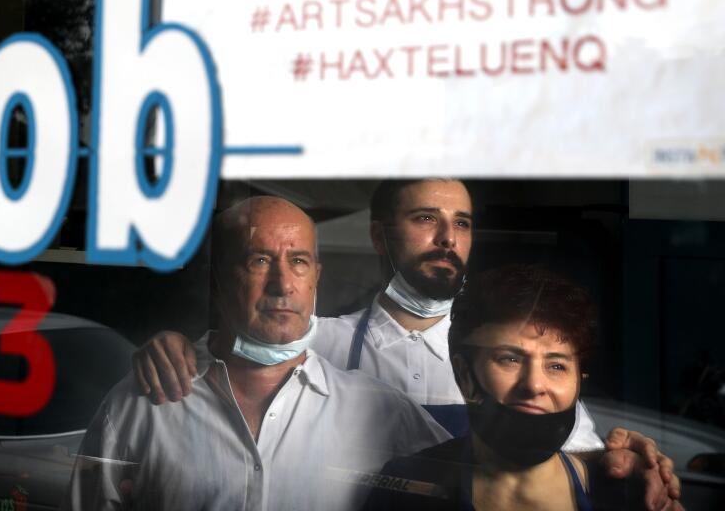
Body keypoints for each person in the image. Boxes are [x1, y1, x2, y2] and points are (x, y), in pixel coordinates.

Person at [132, 180, 683, 507]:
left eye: (461, 223)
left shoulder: (513, 350)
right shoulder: (320, 340)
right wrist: (174, 345)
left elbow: (567, 458)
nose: (448, 238)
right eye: (426, 219)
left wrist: (629, 466)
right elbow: (242, 355)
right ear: (379, 236)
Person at [64, 196, 450, 510]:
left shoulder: (380, 411)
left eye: (297, 261)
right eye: (259, 261)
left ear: (316, 274)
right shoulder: (140, 406)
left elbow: (473, 484)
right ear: (218, 278)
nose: (282, 285)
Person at [362, 264, 640, 510]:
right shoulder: (406, 491)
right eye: (510, 359)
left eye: (557, 365)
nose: (534, 385)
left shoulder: (626, 494)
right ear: (464, 375)